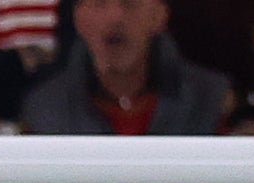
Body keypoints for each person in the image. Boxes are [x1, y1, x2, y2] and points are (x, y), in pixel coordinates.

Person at [18, 0, 232, 132]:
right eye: (100, 3)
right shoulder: (43, 110)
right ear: (78, 18)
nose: (115, 18)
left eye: (130, 3)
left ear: (159, 16)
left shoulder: (211, 99)